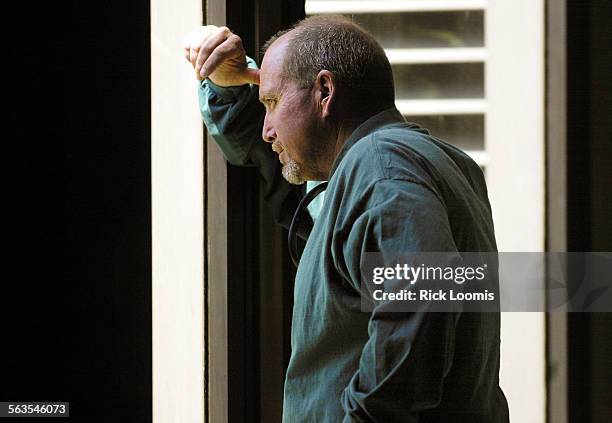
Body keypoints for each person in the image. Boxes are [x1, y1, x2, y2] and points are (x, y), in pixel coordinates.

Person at [184, 16, 510, 422]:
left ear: (324, 91)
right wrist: (229, 88)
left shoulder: (381, 166)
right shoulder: (438, 163)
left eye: (270, 102)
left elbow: (422, 303)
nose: (267, 129)